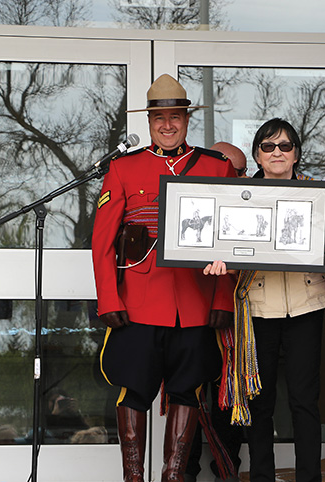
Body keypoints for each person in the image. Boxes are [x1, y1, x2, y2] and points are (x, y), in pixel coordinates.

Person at [92, 73, 237, 482]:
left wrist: (222, 300)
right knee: (133, 392)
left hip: (194, 304)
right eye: (159, 118)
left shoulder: (216, 167)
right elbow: (101, 242)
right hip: (137, 302)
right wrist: (109, 300)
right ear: (150, 121)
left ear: (187, 120)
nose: (168, 125)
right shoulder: (123, 169)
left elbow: (230, 241)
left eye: (176, 116)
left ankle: (173, 478)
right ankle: (134, 479)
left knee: (187, 391)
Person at [244, 118, 325, 482]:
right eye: (268, 146)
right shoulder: (238, 196)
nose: (277, 152)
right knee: (260, 402)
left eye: (284, 145)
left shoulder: (317, 195)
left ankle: (308, 478)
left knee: (304, 400)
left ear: (297, 153)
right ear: (257, 155)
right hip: (258, 307)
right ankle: (262, 477)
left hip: (306, 305)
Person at [185, 141, 247, 482]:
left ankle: (227, 473)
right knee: (187, 401)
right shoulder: (193, 208)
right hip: (190, 319)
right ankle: (184, 473)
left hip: (235, 325)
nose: (230, 176)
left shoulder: (251, 211)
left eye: (237, 171)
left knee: (228, 404)